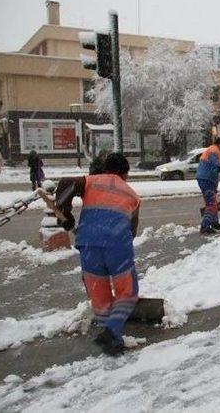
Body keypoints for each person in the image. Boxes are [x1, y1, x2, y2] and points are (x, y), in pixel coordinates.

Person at [56, 152, 141, 356]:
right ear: (125, 173)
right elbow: (132, 230)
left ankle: (110, 336)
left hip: (87, 244)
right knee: (128, 291)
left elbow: (65, 184)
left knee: (99, 292)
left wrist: (64, 216)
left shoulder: (90, 182)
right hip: (117, 246)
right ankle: (112, 331)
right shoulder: (132, 195)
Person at [196, 137, 220, 234]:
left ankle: (214, 223)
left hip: (207, 179)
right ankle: (205, 226)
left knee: (212, 202)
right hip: (207, 180)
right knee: (211, 204)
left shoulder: (211, 150)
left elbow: (214, 169)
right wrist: (219, 167)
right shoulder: (214, 150)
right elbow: (215, 163)